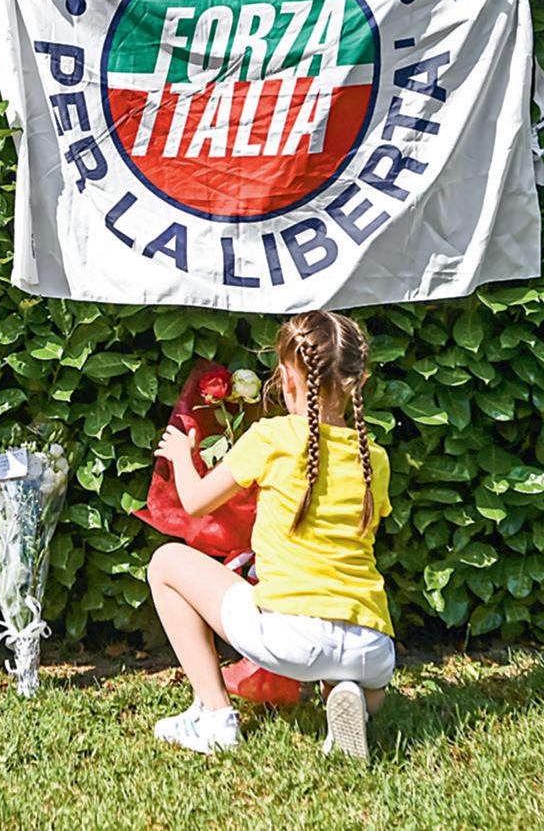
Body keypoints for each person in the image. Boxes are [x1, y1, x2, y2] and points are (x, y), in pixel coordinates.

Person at [148, 310, 394, 758]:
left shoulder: (272, 437)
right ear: (359, 380)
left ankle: (216, 717)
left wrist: (182, 455)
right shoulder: (374, 458)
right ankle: (353, 698)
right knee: (354, 671)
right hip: (373, 644)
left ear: (287, 378)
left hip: (292, 636)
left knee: (165, 563)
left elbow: (197, 501)